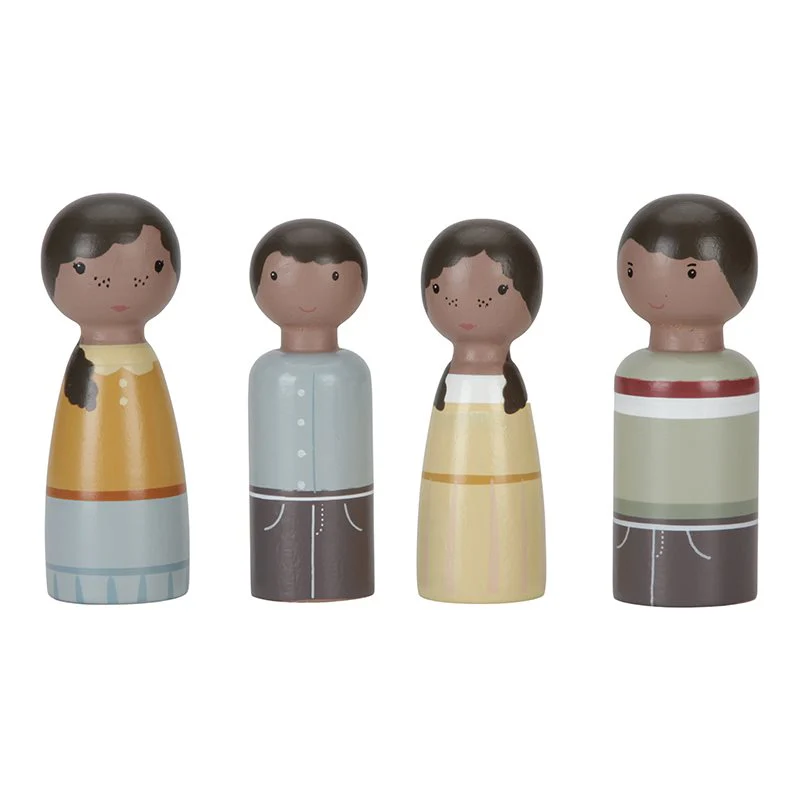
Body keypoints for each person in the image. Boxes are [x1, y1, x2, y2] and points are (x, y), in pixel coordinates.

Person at [42, 193, 189, 604]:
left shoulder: (145, 364)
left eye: (153, 267)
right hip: (79, 531)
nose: (122, 283)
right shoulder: (84, 367)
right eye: (85, 268)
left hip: (155, 526)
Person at [614, 193, 758, 606]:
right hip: (639, 533)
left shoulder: (734, 376)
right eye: (633, 269)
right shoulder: (635, 372)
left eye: (691, 272)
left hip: (721, 545)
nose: (658, 289)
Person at [417, 219, 546, 603]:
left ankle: (505, 577)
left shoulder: (507, 386)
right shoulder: (453, 383)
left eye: (500, 289)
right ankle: (454, 577)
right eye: (441, 289)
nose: (466, 302)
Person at [249, 219, 374, 601]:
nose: (306, 293)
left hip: (346, 508)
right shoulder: (268, 374)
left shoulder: (351, 372)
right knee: (283, 570)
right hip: (277, 508)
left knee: (343, 569)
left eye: (333, 277)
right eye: (278, 275)